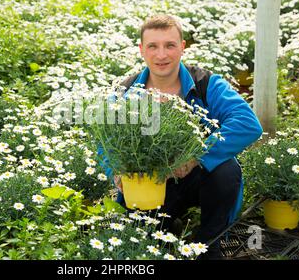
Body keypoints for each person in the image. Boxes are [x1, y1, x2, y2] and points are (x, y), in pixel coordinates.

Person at [103, 14, 263, 260]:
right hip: (148, 184)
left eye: (170, 45)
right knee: (146, 245)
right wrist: (115, 170)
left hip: (196, 177)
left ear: (183, 47)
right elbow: (104, 141)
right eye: (153, 46)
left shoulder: (205, 83)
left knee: (226, 170)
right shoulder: (124, 93)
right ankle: (166, 227)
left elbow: (248, 124)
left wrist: (195, 156)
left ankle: (208, 241)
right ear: (141, 50)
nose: (161, 55)